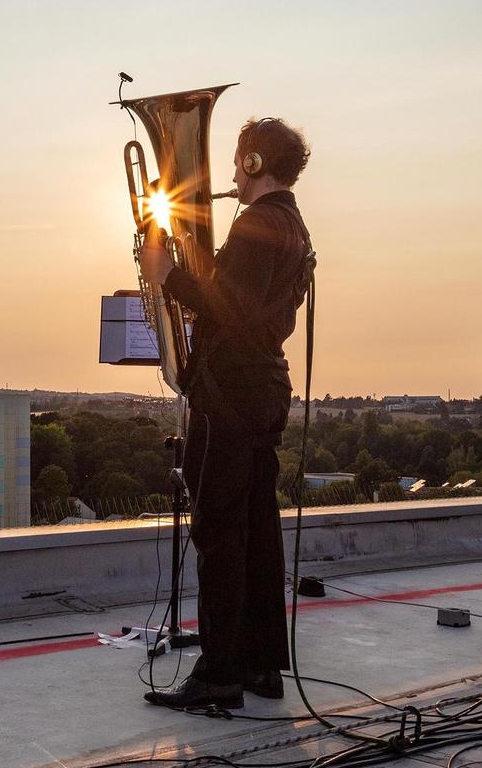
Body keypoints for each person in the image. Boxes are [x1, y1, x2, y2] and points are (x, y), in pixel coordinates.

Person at [137, 118, 314, 710]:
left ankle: (218, 674)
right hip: (262, 390)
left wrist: (169, 276)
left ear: (255, 164)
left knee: (218, 533)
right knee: (257, 532)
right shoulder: (291, 224)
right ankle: (261, 666)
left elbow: (230, 308)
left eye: (239, 162)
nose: (232, 174)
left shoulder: (259, 223)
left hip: (230, 395)